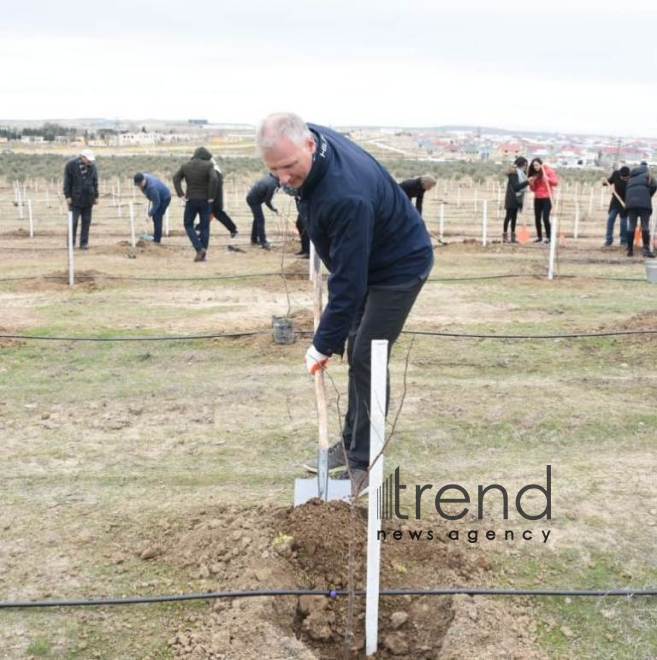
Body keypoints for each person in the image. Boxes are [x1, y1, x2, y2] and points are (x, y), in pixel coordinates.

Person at [256, 112, 433, 497]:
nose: (283, 180)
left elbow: (349, 284)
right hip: (366, 256)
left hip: (398, 266)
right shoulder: (313, 143)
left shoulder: (345, 194)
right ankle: (353, 440)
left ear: (309, 146)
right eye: (274, 171)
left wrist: (322, 345)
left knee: (368, 354)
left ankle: (365, 461)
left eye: (288, 168)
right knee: (357, 347)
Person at [173, 147, 218, 261]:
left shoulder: (186, 166)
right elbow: (214, 179)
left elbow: (175, 178)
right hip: (205, 200)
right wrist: (211, 196)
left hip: (191, 200)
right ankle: (203, 252)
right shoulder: (208, 165)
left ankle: (199, 250)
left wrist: (181, 194)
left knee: (188, 225)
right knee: (205, 227)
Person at [63, 149, 99, 249]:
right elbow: (67, 182)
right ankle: (71, 243)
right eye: (88, 160)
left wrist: (96, 196)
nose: (90, 162)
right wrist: (67, 196)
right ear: (82, 157)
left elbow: (95, 182)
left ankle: (84, 243)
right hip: (75, 199)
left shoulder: (93, 167)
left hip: (88, 199)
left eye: (91, 160)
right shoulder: (70, 166)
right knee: (73, 222)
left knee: (86, 222)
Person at [624, 163, 656, 258]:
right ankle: (646, 250)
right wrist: (648, 195)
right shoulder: (648, 175)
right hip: (644, 205)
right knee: (645, 226)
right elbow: (655, 185)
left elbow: (627, 191)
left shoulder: (631, 178)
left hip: (631, 204)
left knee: (631, 226)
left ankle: (630, 250)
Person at [133, 172, 171, 244]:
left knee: (157, 216)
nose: (139, 186)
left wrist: (149, 214)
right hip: (157, 196)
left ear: (143, 180)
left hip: (165, 198)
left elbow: (157, 203)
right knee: (155, 215)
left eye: (140, 184)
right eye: (138, 185)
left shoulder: (152, 188)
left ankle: (157, 240)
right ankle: (156, 238)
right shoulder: (143, 177)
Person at [528, 158, 558, 243]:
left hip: (547, 197)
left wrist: (548, 179)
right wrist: (531, 183)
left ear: (541, 164)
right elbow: (533, 189)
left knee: (545, 218)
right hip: (537, 198)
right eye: (534, 165)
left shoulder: (549, 171)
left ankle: (549, 237)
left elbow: (555, 183)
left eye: (537, 165)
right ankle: (539, 237)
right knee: (537, 218)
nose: (535, 167)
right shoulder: (535, 174)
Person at [246, 175, 279, 250]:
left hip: (251, 198)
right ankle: (263, 242)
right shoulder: (273, 184)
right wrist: (273, 209)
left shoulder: (271, 178)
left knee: (257, 219)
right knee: (261, 220)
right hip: (253, 200)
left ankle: (254, 239)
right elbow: (268, 201)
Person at [503, 157, 529, 243]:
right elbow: (516, 187)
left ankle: (513, 238)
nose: (526, 166)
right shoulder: (513, 174)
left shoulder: (522, 174)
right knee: (508, 217)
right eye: (525, 164)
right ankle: (505, 236)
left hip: (517, 198)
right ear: (522, 164)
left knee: (514, 217)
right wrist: (527, 182)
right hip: (512, 197)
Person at [602, 166, 630, 248]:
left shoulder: (631, 179)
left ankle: (624, 241)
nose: (623, 178)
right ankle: (609, 240)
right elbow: (609, 181)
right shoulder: (616, 174)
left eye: (625, 177)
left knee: (624, 223)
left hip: (625, 203)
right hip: (615, 201)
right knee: (611, 219)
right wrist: (604, 183)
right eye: (622, 176)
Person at [210, 158, 238, 238]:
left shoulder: (214, 172)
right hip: (217, 198)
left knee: (214, 213)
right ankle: (233, 229)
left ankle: (233, 229)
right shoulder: (217, 171)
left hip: (214, 197)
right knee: (216, 214)